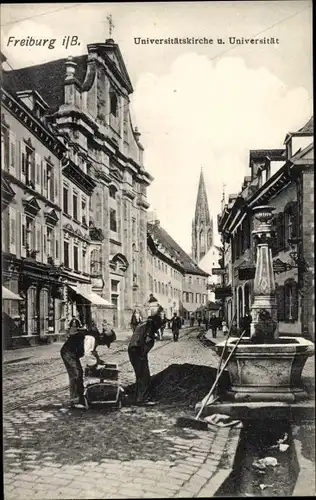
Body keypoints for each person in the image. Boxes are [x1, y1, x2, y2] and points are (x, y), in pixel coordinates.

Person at [128, 305, 163, 405]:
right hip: (138, 350)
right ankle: (142, 399)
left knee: (140, 375)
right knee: (144, 375)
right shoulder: (150, 327)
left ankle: (138, 396)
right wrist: (143, 356)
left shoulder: (143, 324)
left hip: (132, 349)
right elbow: (147, 342)